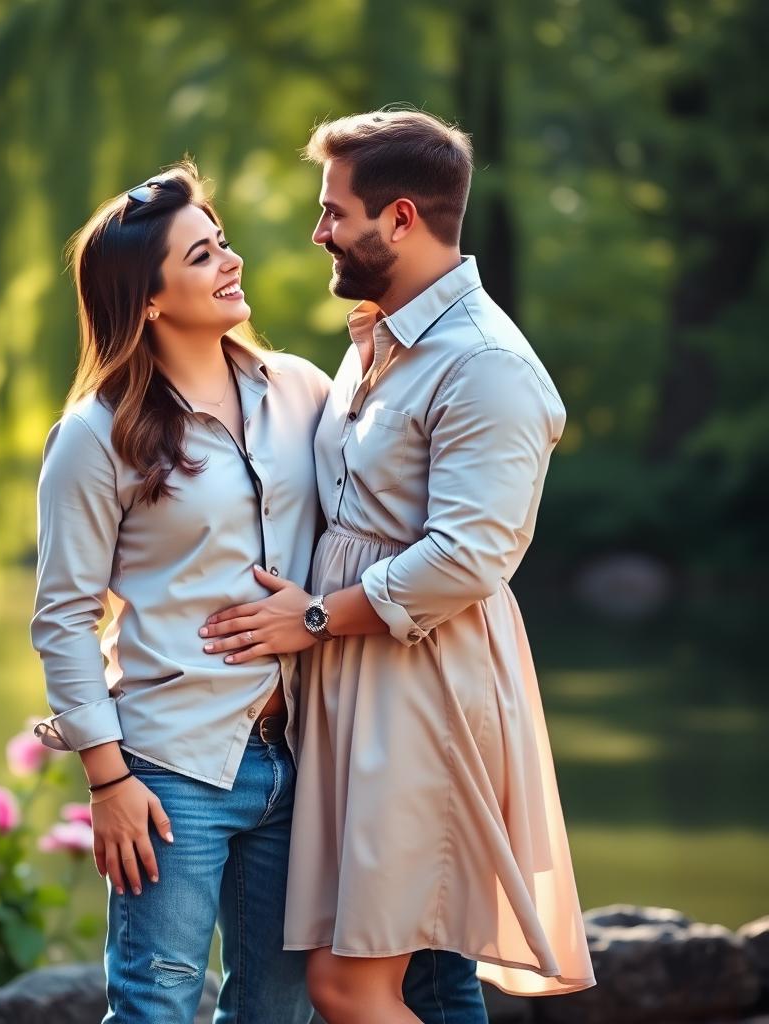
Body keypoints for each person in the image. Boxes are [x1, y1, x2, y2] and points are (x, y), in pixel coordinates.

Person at [199, 110, 597, 1022]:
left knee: (349, 985)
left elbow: (468, 556)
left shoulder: (487, 366)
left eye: (335, 211)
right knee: (428, 973)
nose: (318, 230)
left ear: (403, 218)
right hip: (357, 681)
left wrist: (312, 618)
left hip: (424, 691)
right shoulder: (379, 338)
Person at [29, 161, 329, 1024]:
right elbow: (63, 618)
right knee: (154, 1007)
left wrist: (314, 617)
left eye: (222, 242)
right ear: (150, 300)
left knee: (280, 1011)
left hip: (302, 754)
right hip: (171, 769)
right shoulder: (95, 436)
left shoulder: (302, 390)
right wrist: (107, 779)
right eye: (202, 256)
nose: (231, 262)